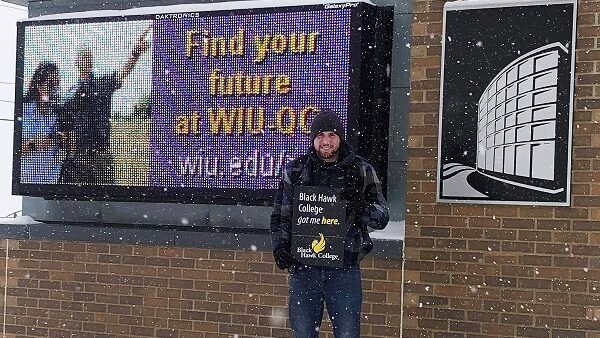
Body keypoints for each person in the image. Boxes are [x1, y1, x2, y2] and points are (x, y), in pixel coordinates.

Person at [270, 109, 389, 338]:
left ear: (340, 138)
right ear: (313, 138)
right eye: (321, 135)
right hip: (304, 268)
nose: (326, 141)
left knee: (347, 334)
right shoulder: (296, 170)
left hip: (344, 269)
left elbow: (382, 217)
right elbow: (281, 216)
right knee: (303, 333)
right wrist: (280, 247)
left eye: (332, 135)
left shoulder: (361, 170)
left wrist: (361, 206)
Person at [60, 26, 151, 184]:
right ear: (75, 61)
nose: (85, 59)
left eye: (88, 56)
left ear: (92, 60)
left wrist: (135, 53)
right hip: (78, 155)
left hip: (101, 153)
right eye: (82, 56)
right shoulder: (69, 93)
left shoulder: (102, 84)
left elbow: (124, 72)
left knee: (107, 195)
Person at [21, 62, 65, 184]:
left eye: (56, 85)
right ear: (39, 86)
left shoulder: (59, 115)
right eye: (50, 84)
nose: (54, 89)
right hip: (25, 183)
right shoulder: (23, 110)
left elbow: (66, 142)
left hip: (49, 184)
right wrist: (33, 144)